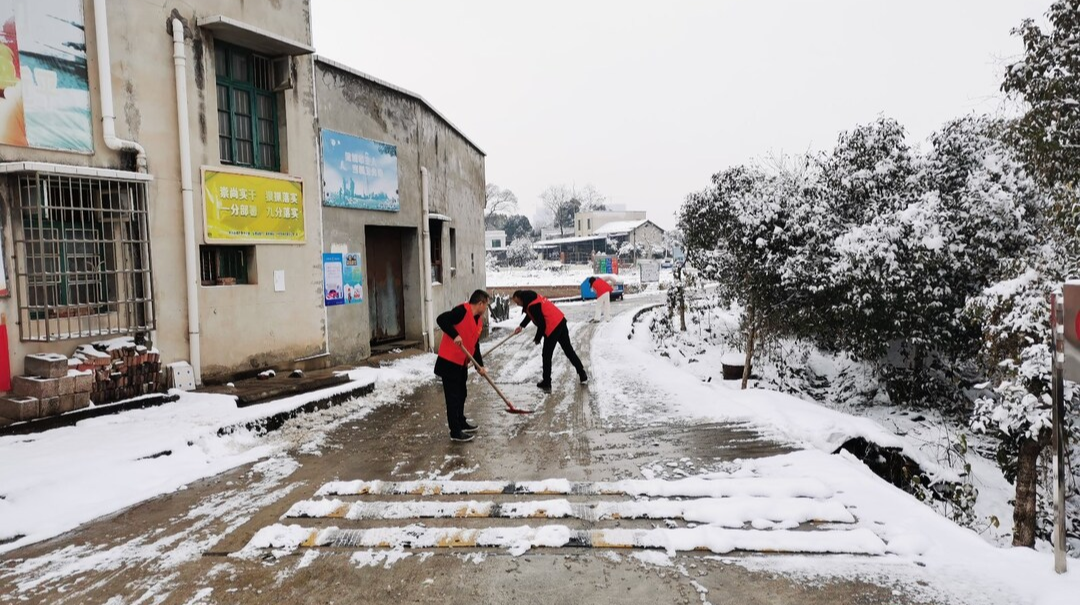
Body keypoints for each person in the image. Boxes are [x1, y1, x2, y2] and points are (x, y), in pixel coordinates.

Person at [434, 289, 490, 442]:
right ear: (480, 303)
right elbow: (441, 319)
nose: (486, 308)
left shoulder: (477, 320)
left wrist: (480, 366)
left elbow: (475, 345)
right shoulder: (461, 311)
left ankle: (461, 421)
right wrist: (455, 335)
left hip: (461, 363)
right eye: (486, 304)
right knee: (452, 398)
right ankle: (455, 431)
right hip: (448, 362)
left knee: (462, 394)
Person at [511, 289, 587, 391]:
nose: (518, 305)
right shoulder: (533, 299)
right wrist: (521, 326)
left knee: (546, 355)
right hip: (560, 321)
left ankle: (546, 381)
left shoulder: (532, 304)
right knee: (569, 351)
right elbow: (531, 315)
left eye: (517, 302)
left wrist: (537, 338)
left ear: (521, 298)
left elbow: (542, 323)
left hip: (552, 327)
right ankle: (582, 374)